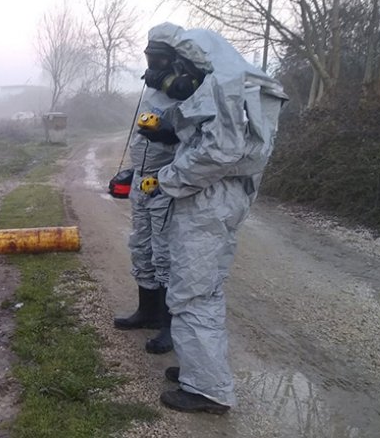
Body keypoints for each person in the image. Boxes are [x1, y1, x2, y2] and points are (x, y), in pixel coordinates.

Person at [145, 23, 288, 414]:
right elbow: (208, 137)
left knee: (192, 291)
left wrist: (167, 178)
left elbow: (218, 152)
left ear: (185, 57)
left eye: (163, 64)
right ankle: (199, 368)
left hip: (209, 200)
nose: (161, 75)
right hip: (221, 197)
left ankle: (207, 389)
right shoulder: (224, 81)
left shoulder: (223, 86)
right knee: (203, 287)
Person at [113, 23, 189, 356]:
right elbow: (139, 134)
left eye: (159, 59)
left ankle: (169, 327)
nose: (152, 65)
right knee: (140, 247)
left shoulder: (190, 91)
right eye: (149, 57)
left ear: (174, 61)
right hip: (142, 182)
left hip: (165, 183)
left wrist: (169, 134)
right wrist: (130, 171)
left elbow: (196, 138)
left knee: (164, 253)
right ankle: (147, 311)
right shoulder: (150, 93)